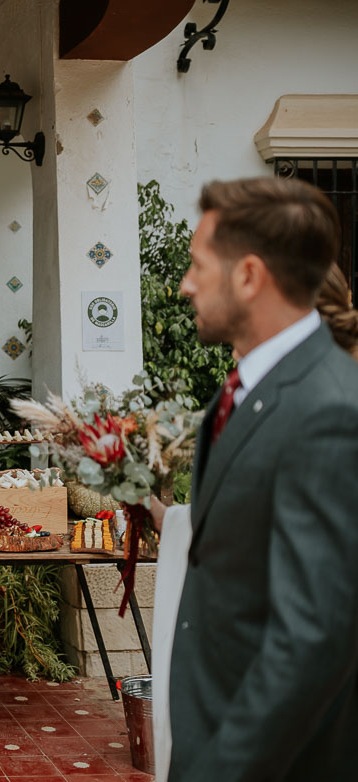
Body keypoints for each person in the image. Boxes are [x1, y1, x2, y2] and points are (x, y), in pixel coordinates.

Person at [150, 177, 358, 781]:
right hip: (209, 725)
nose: (185, 284)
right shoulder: (243, 390)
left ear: (248, 276)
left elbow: (314, 636)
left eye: (197, 265)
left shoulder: (330, 411)